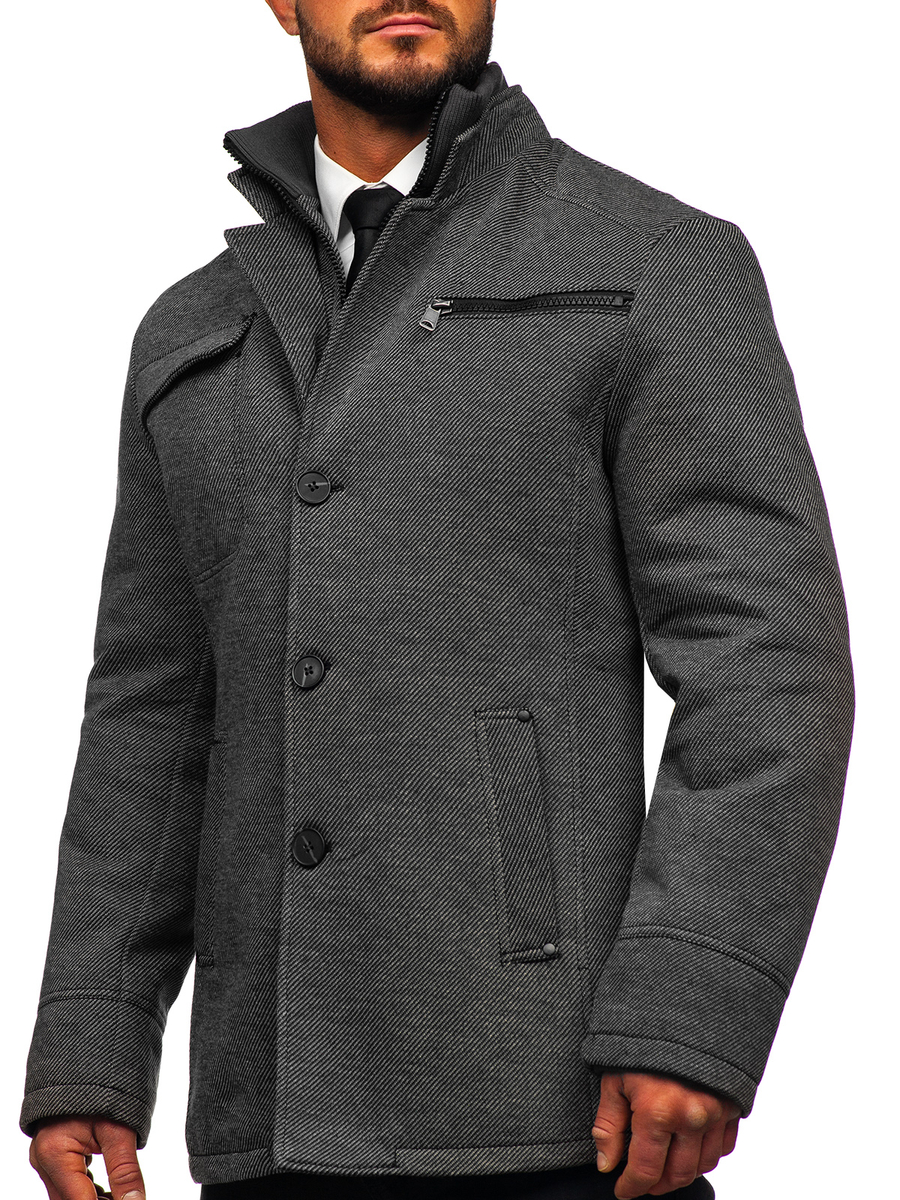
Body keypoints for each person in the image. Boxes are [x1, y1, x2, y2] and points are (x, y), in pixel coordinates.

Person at [19, 2, 855, 1199]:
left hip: (559, 1115)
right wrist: (91, 1052)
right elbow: (151, 717)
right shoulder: (192, 330)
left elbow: (766, 664)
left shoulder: (655, 263)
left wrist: (692, 1010)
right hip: (266, 1125)